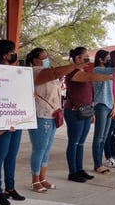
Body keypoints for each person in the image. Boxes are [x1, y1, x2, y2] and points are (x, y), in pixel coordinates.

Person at [26, 47, 87, 192]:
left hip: (53, 114)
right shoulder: (35, 72)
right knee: (39, 148)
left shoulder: (48, 73)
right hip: (41, 114)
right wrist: (74, 66)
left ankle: (43, 178)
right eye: (44, 57)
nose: (47, 59)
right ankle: (35, 180)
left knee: (46, 148)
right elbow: (54, 72)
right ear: (35, 60)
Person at [64, 47, 115, 183]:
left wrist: (92, 111)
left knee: (81, 143)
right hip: (74, 110)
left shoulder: (84, 72)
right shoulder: (73, 72)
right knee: (74, 141)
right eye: (85, 57)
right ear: (77, 58)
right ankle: (72, 172)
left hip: (86, 109)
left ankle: (79, 169)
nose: (88, 60)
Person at [0, 39, 26, 205]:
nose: (13, 55)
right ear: (4, 54)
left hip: (17, 119)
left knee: (12, 155)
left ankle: (9, 188)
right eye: (11, 52)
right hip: (2, 119)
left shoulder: (16, 71)